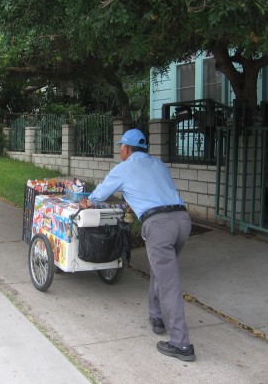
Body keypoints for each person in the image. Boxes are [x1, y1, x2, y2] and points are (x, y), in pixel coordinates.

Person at [78, 128, 195, 362]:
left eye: (121, 146)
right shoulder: (159, 164)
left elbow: (100, 193)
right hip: (182, 221)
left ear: (127, 149)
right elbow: (157, 191)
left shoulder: (124, 167)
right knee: (162, 273)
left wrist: (87, 202)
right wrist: (134, 202)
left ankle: (181, 344)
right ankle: (157, 317)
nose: (120, 150)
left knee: (168, 281)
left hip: (159, 226)